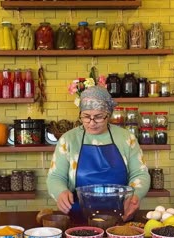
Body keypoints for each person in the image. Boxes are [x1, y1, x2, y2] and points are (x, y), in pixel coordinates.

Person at [46, 85, 150, 221]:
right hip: (78, 215)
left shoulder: (126, 138)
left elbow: (140, 173)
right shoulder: (68, 139)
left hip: (121, 213)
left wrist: (135, 196)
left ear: (109, 115)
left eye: (99, 117)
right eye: (86, 117)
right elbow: (56, 176)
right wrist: (60, 192)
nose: (92, 123)